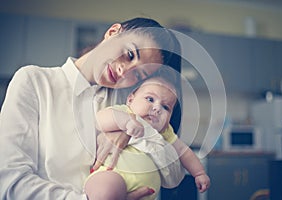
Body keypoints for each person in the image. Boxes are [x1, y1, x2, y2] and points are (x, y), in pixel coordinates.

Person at [0, 17, 184, 200]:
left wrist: (137, 134)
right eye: (130, 54)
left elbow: (170, 171)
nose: (124, 71)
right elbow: (9, 183)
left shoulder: (131, 106)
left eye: (138, 74)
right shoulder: (35, 82)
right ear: (113, 32)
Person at [84, 76, 210, 200]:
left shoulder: (165, 132)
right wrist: (126, 122)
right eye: (150, 99)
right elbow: (100, 120)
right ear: (130, 100)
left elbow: (184, 151)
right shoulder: (125, 112)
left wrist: (199, 173)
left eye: (166, 107)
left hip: (147, 194)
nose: (157, 108)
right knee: (107, 191)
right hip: (112, 176)